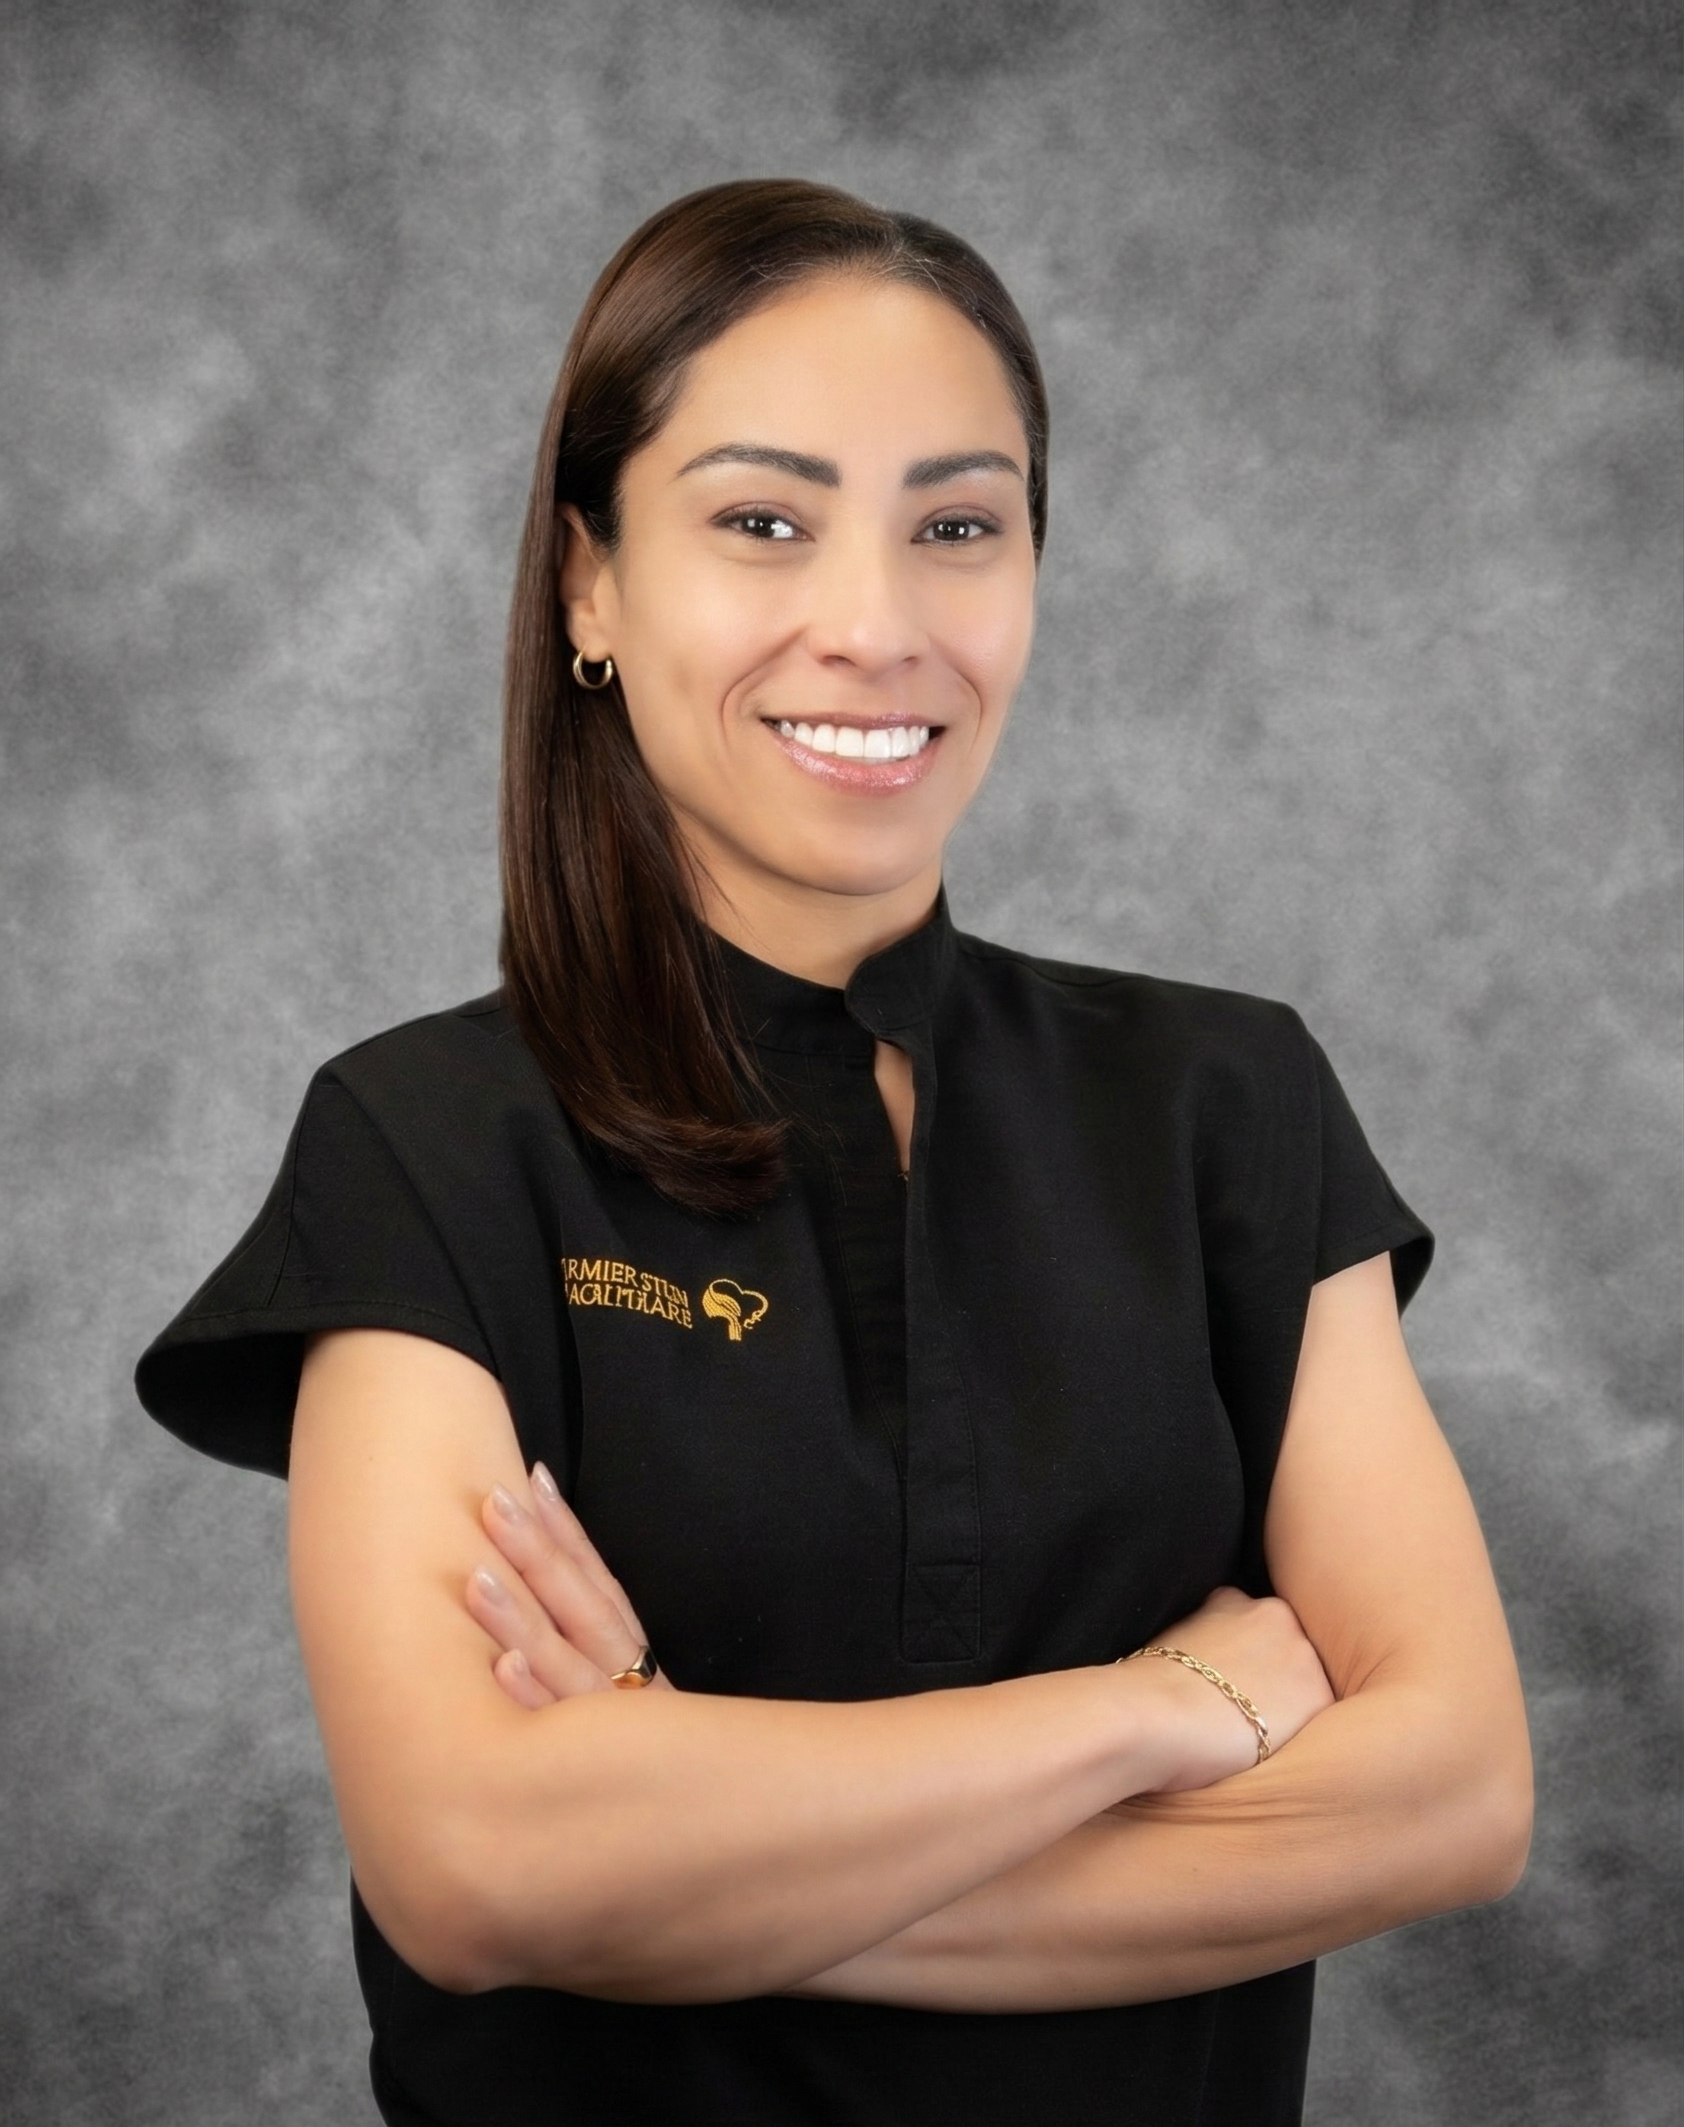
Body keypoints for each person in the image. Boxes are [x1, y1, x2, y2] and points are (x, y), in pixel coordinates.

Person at [135, 179, 1532, 2127]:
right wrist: (1163, 1707)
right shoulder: (424, 1145)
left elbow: (1453, 1794)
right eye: (763, 522)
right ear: (589, 584)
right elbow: (472, 1869)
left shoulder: (1231, 1100)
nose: (875, 627)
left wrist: (671, 1846)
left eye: (956, 526)